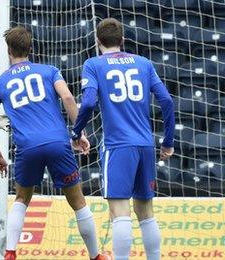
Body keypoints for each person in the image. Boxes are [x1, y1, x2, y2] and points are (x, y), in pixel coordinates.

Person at [0, 26, 109, 260]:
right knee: (78, 201)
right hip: (58, 143)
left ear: (8, 50)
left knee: (21, 199)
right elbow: (68, 97)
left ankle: (10, 252)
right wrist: (79, 133)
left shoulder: (1, 82)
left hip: (27, 147)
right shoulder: (49, 71)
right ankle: (96, 256)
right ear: (31, 48)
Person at [71, 18, 175, 260]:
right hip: (145, 144)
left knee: (120, 212)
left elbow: (87, 103)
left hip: (117, 145)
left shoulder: (93, 64)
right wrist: (168, 141)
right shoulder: (144, 63)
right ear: (123, 40)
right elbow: (167, 101)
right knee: (146, 212)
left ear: (97, 41)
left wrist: (76, 133)